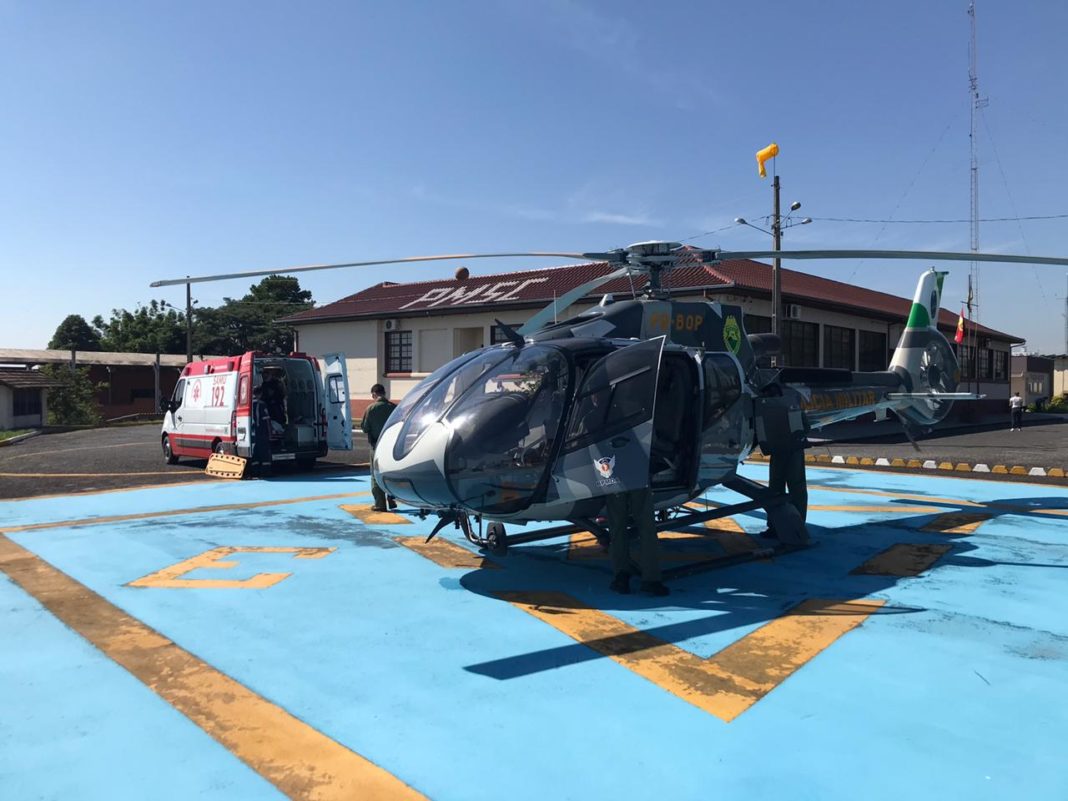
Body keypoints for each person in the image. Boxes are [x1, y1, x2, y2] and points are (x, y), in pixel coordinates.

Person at [604, 487, 668, 596]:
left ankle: (621, 576)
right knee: (647, 528)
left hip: (614, 479)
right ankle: (651, 578)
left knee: (617, 528)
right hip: (638, 478)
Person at [360, 383, 398, 511]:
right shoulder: (394, 407)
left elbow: (365, 428)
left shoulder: (371, 409)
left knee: (376, 474)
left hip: (376, 446)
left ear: (374, 394)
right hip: (391, 446)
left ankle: (380, 503)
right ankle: (392, 497)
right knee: (391, 472)